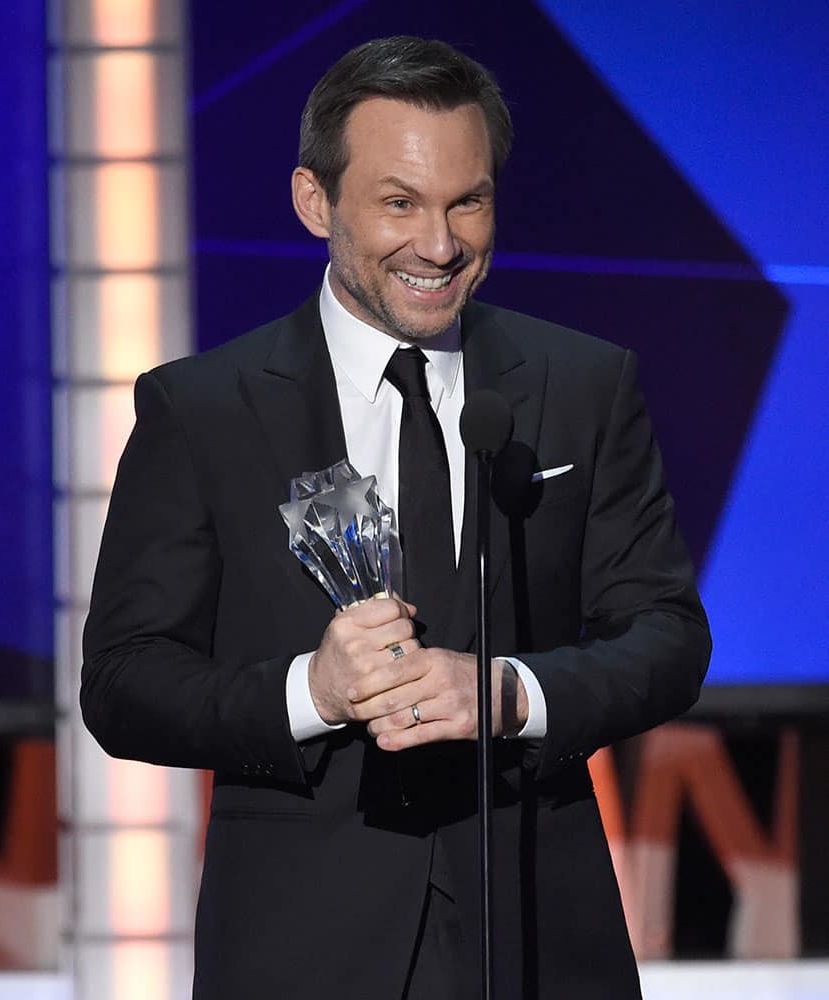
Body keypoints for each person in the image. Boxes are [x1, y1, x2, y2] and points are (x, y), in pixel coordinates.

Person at [81, 36, 711, 1000]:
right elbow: (124, 684)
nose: (440, 244)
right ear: (313, 202)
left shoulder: (580, 384)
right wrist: (311, 692)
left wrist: (511, 694)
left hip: (537, 932)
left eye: (469, 200)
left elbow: (667, 636)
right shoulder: (202, 409)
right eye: (398, 203)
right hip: (298, 949)